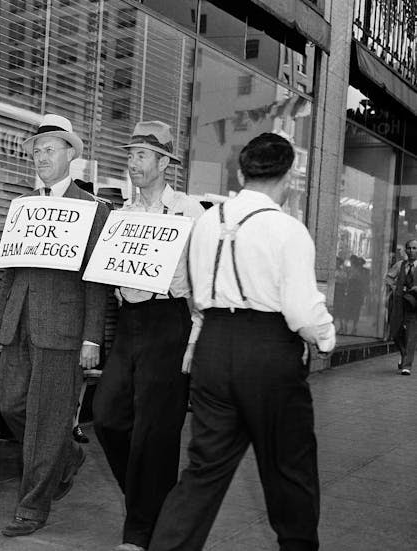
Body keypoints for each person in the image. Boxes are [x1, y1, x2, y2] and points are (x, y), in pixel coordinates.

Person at [150, 133, 335, 551]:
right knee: (289, 466)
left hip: (214, 347)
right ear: (289, 177)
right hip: (269, 350)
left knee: (203, 470)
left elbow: (198, 298)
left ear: (239, 172)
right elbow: (302, 311)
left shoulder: (204, 223)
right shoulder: (288, 230)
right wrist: (326, 339)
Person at [0, 113, 109, 537]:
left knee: (45, 419)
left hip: (64, 329)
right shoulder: (23, 205)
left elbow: (97, 280)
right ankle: (67, 457)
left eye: (50, 150)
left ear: (71, 155)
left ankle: (32, 508)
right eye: (36, 151)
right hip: (19, 322)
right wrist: (1, 319)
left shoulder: (93, 209)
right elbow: (11, 267)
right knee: (10, 403)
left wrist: (92, 337)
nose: (41, 157)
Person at [93, 121, 204, 551]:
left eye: (141, 156)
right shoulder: (121, 215)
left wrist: (195, 340)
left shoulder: (190, 213)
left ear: (163, 163)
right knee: (107, 416)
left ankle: (139, 531)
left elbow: (202, 282)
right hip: (129, 322)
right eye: (130, 155)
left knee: (155, 432)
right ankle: (149, 502)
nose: (132, 163)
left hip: (170, 320)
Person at [385, 239, 417, 376]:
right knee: (395, 331)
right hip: (398, 303)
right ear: (405, 250)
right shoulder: (400, 265)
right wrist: (395, 287)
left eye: (415, 248)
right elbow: (388, 278)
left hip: (414, 305)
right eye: (409, 248)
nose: (411, 251)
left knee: (411, 335)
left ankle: (407, 366)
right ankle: (404, 354)